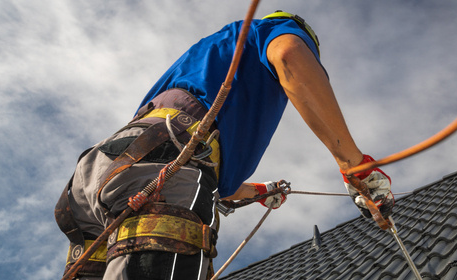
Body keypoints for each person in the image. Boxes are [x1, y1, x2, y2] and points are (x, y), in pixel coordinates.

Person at [55, 10, 393, 280]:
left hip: (106, 169)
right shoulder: (273, 30)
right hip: (167, 161)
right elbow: (289, 54)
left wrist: (259, 191)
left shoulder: (207, 52)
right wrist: (353, 165)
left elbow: (205, 181)